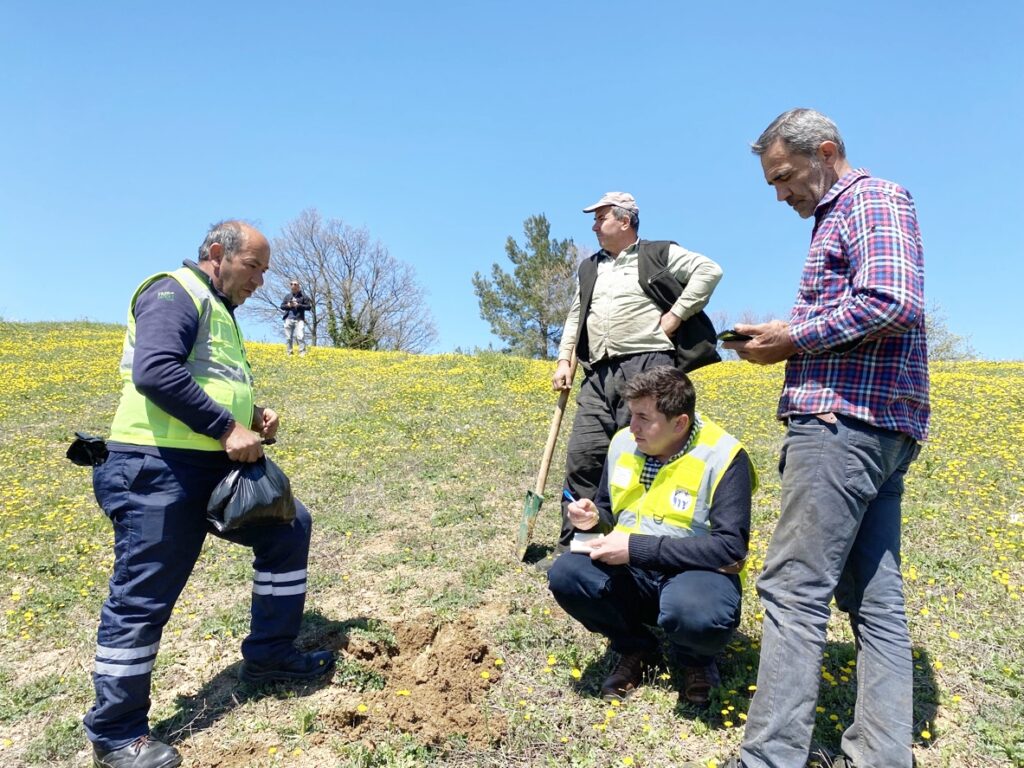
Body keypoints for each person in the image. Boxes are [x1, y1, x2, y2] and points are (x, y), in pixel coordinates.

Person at [716, 109, 930, 768]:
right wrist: (788, 333)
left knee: (792, 589)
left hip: (844, 424)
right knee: (873, 599)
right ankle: (880, 757)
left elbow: (893, 300)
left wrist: (795, 337)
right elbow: (863, 305)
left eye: (783, 176)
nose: (781, 193)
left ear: (826, 151)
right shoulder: (841, 216)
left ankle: (769, 759)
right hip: (875, 424)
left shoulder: (870, 198)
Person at [86, 221, 335, 768]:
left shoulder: (219, 311)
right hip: (155, 469)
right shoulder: (174, 291)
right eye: (255, 268)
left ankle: (269, 656)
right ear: (219, 254)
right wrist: (227, 427)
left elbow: (204, 381)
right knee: (144, 594)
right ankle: (115, 732)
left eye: (267, 272)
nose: (262, 283)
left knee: (290, 527)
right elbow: (155, 372)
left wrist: (251, 416)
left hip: (208, 469)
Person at [547, 366, 755, 706]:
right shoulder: (623, 443)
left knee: (696, 613)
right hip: (633, 571)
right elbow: (607, 509)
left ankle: (695, 660)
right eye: (632, 415)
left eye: (644, 418)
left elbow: (730, 548)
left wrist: (636, 548)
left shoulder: (724, 456)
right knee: (567, 574)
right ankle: (637, 648)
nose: (633, 427)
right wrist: (592, 519)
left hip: (695, 574)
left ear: (680, 423)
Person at [544, 191, 724, 569]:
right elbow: (577, 315)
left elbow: (709, 270)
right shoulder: (589, 267)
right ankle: (576, 547)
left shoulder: (657, 253)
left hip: (648, 366)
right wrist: (564, 359)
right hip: (599, 371)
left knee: (642, 454)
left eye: (600, 218)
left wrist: (675, 316)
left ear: (624, 221)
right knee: (584, 457)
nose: (594, 226)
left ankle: (635, 547)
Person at [281, 279, 312, 356]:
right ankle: (289, 354)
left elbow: (309, 307)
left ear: (299, 287)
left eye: (295, 284)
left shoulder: (304, 297)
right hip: (288, 318)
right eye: (292, 284)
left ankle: (302, 353)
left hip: (299, 319)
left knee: (300, 336)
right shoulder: (287, 296)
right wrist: (288, 305)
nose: (293, 286)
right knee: (288, 338)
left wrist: (299, 305)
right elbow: (282, 306)